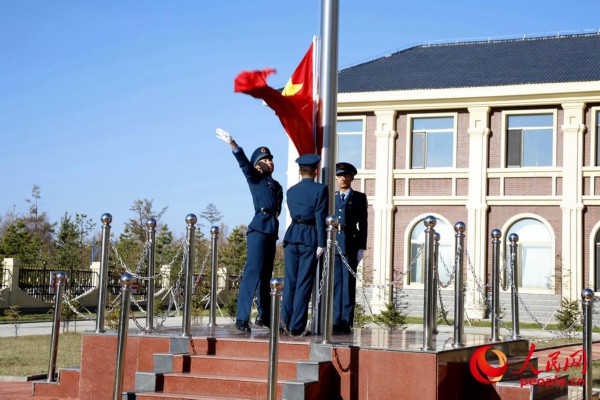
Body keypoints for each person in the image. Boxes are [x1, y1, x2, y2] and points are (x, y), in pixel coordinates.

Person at [216, 128, 283, 332]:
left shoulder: (277, 186)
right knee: (252, 272)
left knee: (266, 275)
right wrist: (233, 145)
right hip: (259, 228)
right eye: (265, 160)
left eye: (271, 159)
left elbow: (278, 208)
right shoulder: (255, 178)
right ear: (257, 165)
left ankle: (264, 316)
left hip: (271, 229)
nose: (270, 162)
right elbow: (244, 164)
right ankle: (242, 317)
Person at [281, 154, 328, 336]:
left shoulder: (291, 191)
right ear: (315, 171)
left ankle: (284, 322)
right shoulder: (320, 189)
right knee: (303, 283)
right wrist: (322, 243)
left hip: (292, 235)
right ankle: (296, 325)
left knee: (290, 281)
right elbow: (320, 217)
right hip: (309, 237)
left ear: (300, 171)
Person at [333, 162, 368, 333]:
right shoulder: (332, 197)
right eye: (339, 175)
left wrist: (361, 247)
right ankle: (334, 319)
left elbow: (363, 224)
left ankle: (345, 321)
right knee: (335, 283)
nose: (341, 179)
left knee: (348, 284)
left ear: (351, 178)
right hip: (334, 243)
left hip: (350, 243)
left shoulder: (359, 197)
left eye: (345, 175)